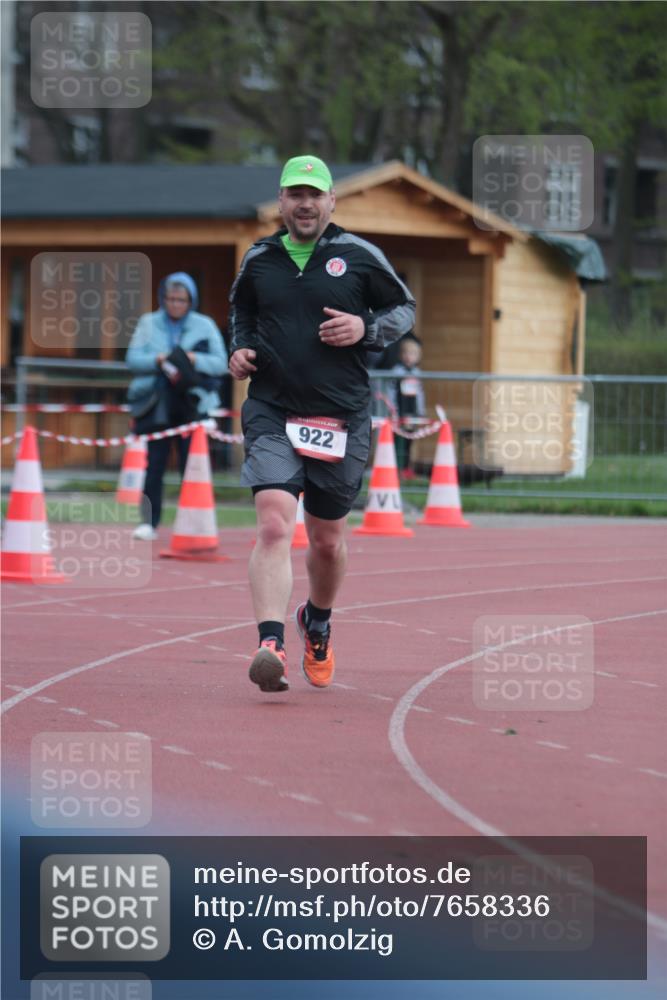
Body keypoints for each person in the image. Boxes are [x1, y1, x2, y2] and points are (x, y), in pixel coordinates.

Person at [229, 154, 416, 693]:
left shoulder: (357, 255)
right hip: (272, 408)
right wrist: (239, 350)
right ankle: (269, 643)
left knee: (328, 541)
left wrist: (365, 327)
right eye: (295, 194)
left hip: (341, 415)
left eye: (314, 194)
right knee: (272, 523)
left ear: (331, 201)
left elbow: (403, 308)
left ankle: (318, 621)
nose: (305, 204)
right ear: (282, 201)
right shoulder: (260, 257)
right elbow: (241, 313)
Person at [126, 272, 227, 540]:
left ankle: (193, 523)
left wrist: (193, 359)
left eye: (181, 300)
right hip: (157, 401)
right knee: (154, 464)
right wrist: (157, 360)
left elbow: (220, 363)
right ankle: (149, 522)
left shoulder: (204, 325)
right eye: (170, 299)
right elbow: (132, 360)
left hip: (192, 403)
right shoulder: (148, 323)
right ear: (162, 298)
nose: (175, 304)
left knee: (192, 465)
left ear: (191, 300)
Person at [387, 335, 426, 478]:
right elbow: (391, 391)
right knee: (398, 441)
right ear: (401, 354)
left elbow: (420, 394)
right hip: (399, 411)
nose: (409, 357)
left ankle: (406, 468)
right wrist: (392, 409)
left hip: (412, 412)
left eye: (413, 354)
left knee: (409, 441)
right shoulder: (396, 372)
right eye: (406, 353)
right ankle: (396, 467)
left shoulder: (417, 374)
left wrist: (420, 411)